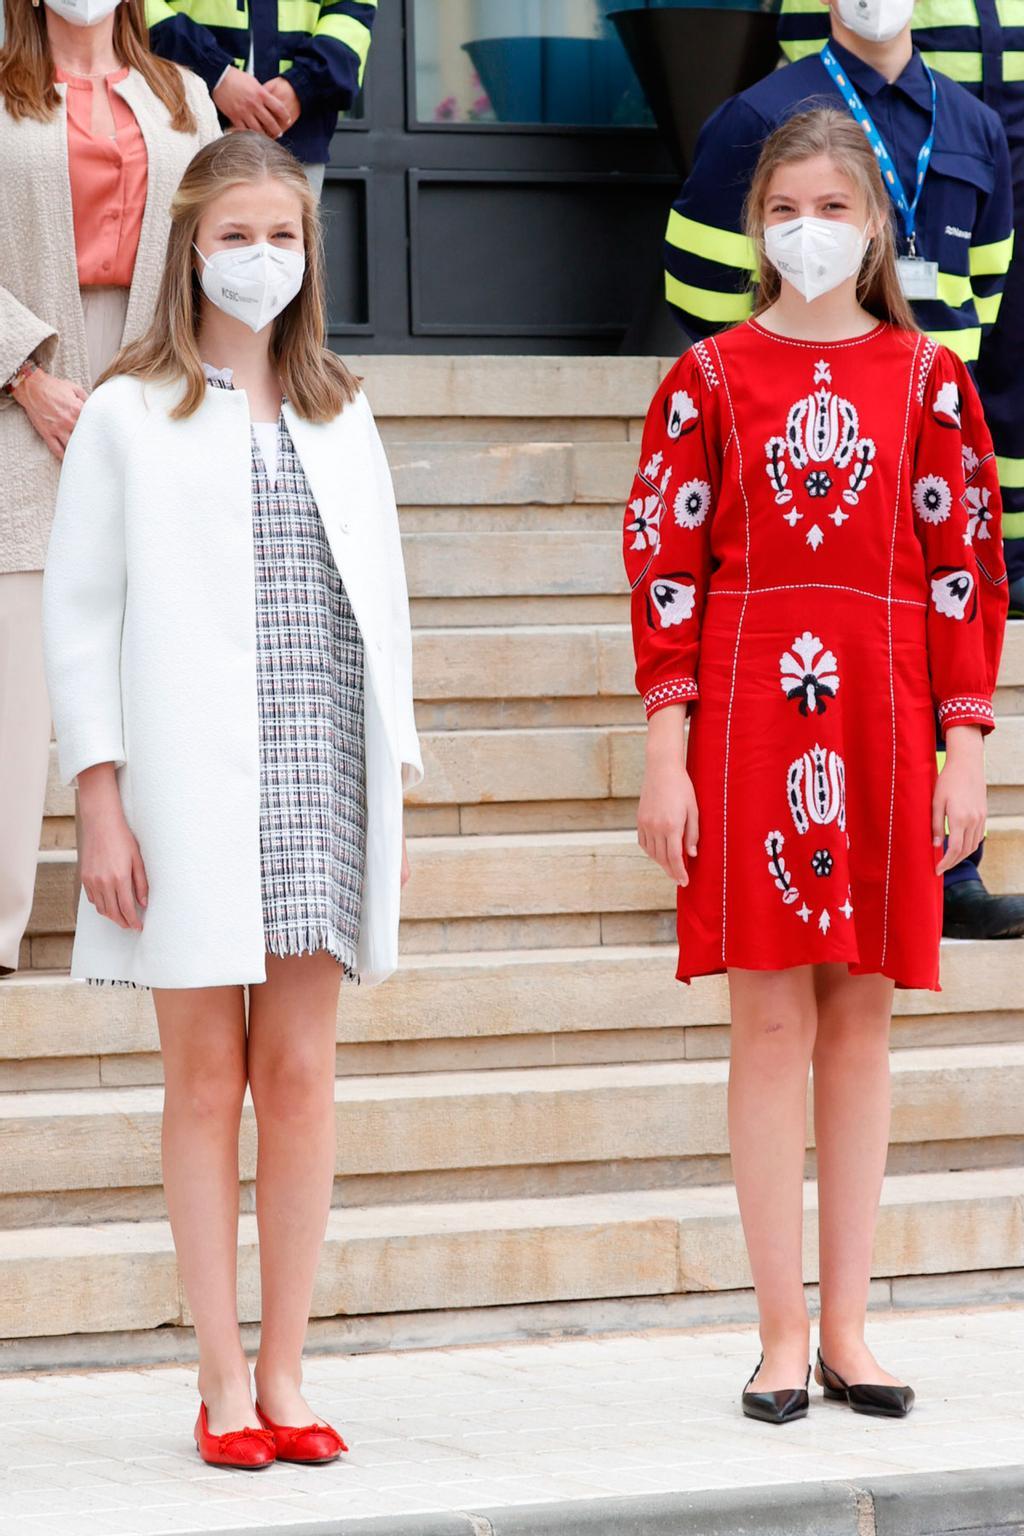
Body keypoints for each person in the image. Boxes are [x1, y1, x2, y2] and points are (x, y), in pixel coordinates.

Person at [42, 130, 422, 1468]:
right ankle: (216, 1377)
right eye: (235, 236)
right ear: (190, 250)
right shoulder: (130, 416)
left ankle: (289, 1366)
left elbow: (375, 606)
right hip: (187, 781)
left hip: (316, 768)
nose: (259, 259)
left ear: (307, 256)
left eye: (282, 238)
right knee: (207, 1075)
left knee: (302, 1071)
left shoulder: (341, 409)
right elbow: (81, 616)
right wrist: (100, 798)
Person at [628, 108, 1007, 1422]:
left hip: (890, 717)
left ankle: (852, 1327)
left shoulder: (929, 381)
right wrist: (664, 754)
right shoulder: (707, 381)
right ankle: (779, 1332)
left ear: (877, 229)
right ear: (756, 226)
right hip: (748, 716)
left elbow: (965, 572)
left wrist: (966, 748)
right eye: (787, 207)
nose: (810, 230)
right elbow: (665, 570)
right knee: (769, 1019)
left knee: (861, 1019)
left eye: (834, 210)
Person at [663, 0, 1024, 940]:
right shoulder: (760, 115)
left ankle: (951, 870)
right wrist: (777, 378)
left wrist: (919, 376)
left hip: (925, 427)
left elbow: (986, 284)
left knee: (925, 630)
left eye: (831, 210)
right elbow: (698, 282)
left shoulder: (975, 122)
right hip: (790, 434)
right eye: (792, 210)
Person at [0, 0, 219, 978]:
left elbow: (224, 249)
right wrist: (24, 374)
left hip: (155, 402)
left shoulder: (185, 95)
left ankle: (163, 922)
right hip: (22, 392)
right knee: (14, 684)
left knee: (158, 669)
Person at [144, 0, 375, 196]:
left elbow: (353, 7)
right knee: (168, 246)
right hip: (174, 115)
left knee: (282, 245)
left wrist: (303, 84)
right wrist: (212, 72)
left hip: (293, 126)